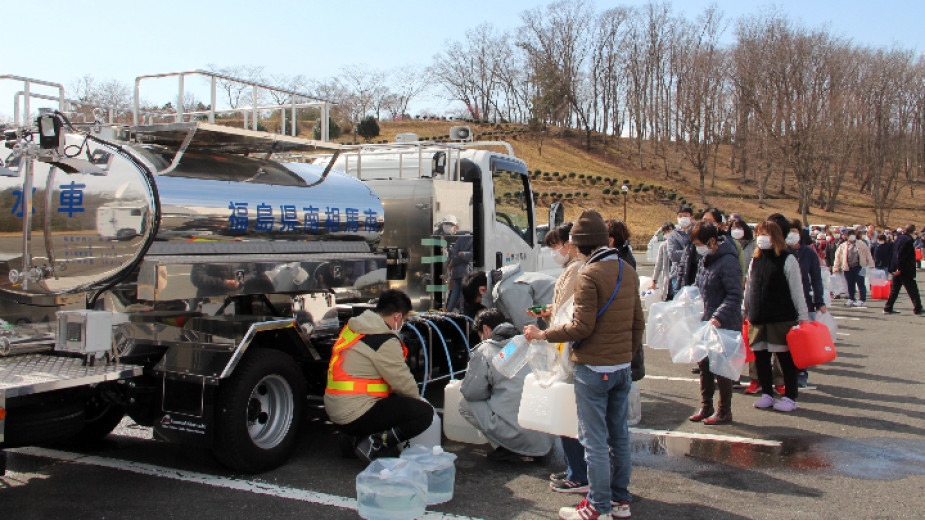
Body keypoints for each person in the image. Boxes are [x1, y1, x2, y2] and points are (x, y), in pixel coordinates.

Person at [524, 209, 644, 520]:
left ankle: (598, 506)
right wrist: (625, 356)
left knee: (593, 439)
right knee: (618, 436)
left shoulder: (590, 274)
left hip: (593, 368)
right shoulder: (627, 269)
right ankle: (620, 500)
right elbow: (637, 323)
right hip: (620, 368)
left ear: (582, 244)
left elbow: (581, 328)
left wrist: (542, 334)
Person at [324, 289, 434, 462]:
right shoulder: (383, 339)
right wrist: (416, 402)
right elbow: (403, 383)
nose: (404, 323)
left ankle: (352, 438)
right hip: (355, 412)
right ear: (397, 316)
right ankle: (372, 442)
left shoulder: (355, 327)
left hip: (335, 409)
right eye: (404, 319)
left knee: (392, 398)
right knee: (423, 413)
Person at [530, 223, 591, 493]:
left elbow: (572, 313)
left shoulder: (579, 269)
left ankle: (579, 473)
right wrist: (548, 312)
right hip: (564, 344)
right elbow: (564, 307)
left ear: (571, 243)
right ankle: (574, 468)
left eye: (557, 245)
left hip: (568, 347)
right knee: (571, 412)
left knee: (569, 412)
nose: (556, 251)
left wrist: (545, 333)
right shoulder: (573, 268)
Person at [459, 309, 554, 461]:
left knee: (465, 405)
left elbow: (471, 392)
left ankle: (505, 447)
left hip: (517, 434)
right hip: (545, 436)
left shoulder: (487, 350)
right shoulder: (532, 345)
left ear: (486, 330)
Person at [745, 220, 810, 413]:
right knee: (761, 357)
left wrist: (803, 316)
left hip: (781, 317)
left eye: (765, 233)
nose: (761, 238)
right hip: (758, 316)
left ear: (775, 236)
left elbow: (797, 290)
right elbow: (749, 287)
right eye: (758, 233)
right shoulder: (756, 258)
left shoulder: (787, 258)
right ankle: (767, 393)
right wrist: (745, 310)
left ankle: (790, 396)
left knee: (785, 359)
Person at [688, 221, 743, 425]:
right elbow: (700, 284)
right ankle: (706, 406)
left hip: (723, 323)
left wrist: (718, 317)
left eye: (699, 244)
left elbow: (734, 294)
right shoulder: (707, 259)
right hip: (706, 321)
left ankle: (724, 410)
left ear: (712, 241)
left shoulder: (728, 261)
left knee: (722, 368)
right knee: (704, 365)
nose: (697, 248)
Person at [788, 219, 827, 388]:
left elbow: (816, 279)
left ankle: (801, 374)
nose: (792, 234)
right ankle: (786, 375)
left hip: (805, 301)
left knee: (803, 341)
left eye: (795, 231)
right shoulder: (782, 252)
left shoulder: (809, 253)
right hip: (786, 302)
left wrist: (819, 301)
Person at [884, 224, 924, 315]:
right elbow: (902, 255)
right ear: (913, 231)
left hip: (897, 268)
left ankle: (888, 307)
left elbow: (893, 253)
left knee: (894, 290)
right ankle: (918, 308)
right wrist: (899, 268)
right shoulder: (908, 241)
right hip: (904, 269)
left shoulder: (898, 238)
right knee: (912, 289)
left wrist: (893, 267)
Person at [833, 229, 874, 307]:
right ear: (846, 236)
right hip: (848, 267)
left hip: (860, 267)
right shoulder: (843, 246)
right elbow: (837, 257)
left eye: (853, 234)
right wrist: (836, 267)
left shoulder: (861, 244)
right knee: (850, 284)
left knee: (861, 284)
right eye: (849, 235)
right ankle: (851, 298)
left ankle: (862, 299)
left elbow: (868, 254)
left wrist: (871, 264)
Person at [441, 215, 473, 312]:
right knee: (458, 295)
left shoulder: (464, 238)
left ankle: (449, 312)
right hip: (460, 273)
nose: (447, 226)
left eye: (450, 224)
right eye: (446, 224)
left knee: (456, 295)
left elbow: (461, 256)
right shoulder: (462, 239)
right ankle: (454, 313)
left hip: (460, 273)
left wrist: (461, 254)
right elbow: (456, 256)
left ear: (456, 227)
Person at [667, 205, 694, 299]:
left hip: (694, 273)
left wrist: (683, 253)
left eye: (685, 216)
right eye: (680, 216)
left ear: (691, 217)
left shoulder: (697, 231)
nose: (683, 218)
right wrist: (691, 252)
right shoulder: (673, 235)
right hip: (677, 274)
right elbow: (673, 255)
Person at [650, 222, 675, 294]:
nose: (668, 233)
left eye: (669, 231)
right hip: (667, 277)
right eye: (665, 232)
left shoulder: (680, 242)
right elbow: (659, 264)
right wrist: (654, 280)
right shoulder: (663, 246)